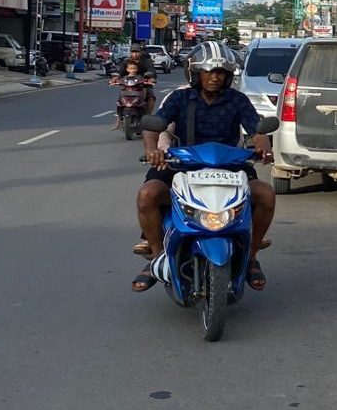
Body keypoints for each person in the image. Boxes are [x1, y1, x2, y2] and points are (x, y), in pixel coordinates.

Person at [131, 42, 276, 293]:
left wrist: (263, 147)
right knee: (148, 195)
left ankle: (251, 257)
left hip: (230, 166)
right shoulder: (180, 98)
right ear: (196, 74)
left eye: (220, 72)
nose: (215, 77)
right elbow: (153, 125)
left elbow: (256, 129)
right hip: (181, 165)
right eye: (208, 71)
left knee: (265, 194)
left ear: (228, 76)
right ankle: (158, 258)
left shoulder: (238, 100)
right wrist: (152, 150)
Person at [107, 61, 156, 129]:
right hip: (127, 92)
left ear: (137, 69)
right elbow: (119, 77)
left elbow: (150, 74)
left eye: (134, 68)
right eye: (131, 68)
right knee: (119, 103)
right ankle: (118, 122)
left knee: (149, 98)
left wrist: (150, 80)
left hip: (138, 91)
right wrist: (113, 81)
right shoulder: (124, 77)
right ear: (127, 69)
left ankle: (146, 118)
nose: (132, 70)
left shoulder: (141, 74)